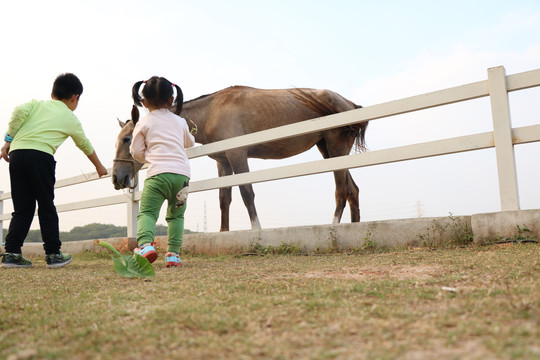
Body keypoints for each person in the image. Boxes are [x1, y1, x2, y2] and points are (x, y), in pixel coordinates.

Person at [1, 73, 108, 269]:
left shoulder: (35, 104)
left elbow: (18, 111)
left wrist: (8, 140)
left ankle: (12, 253)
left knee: (22, 209)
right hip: (41, 157)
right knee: (46, 205)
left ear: (52, 93)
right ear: (75, 97)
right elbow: (85, 144)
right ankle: (53, 254)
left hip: (17, 155)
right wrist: (99, 166)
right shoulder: (70, 117)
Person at [130, 76, 195, 267]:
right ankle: (173, 254)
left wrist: (148, 158)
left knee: (148, 213)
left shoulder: (144, 123)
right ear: (171, 100)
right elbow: (189, 142)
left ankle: (145, 245)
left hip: (157, 174)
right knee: (176, 216)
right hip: (181, 176)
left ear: (144, 102)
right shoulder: (180, 121)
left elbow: (135, 151)